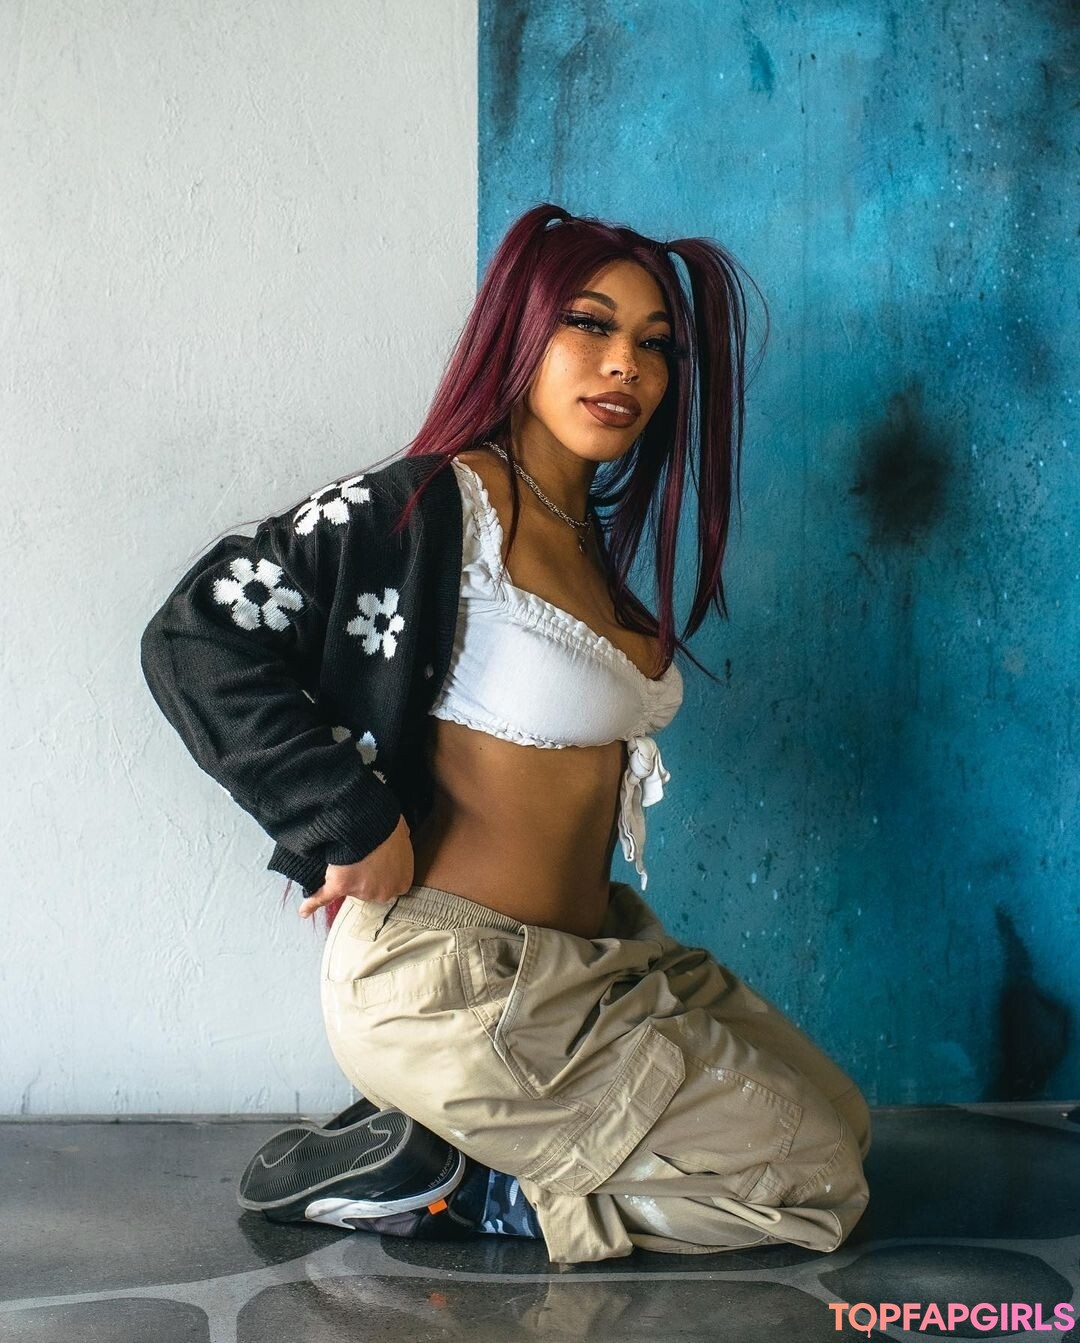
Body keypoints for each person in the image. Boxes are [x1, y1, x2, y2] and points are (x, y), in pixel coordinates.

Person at [140, 203, 872, 1265]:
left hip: (590, 964)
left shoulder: (579, 530)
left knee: (843, 1118)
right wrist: (346, 815)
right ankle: (475, 1184)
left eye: (655, 344)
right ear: (521, 332)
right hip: (453, 983)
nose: (625, 365)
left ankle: (448, 1141)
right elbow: (194, 633)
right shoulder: (432, 505)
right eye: (590, 323)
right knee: (813, 1180)